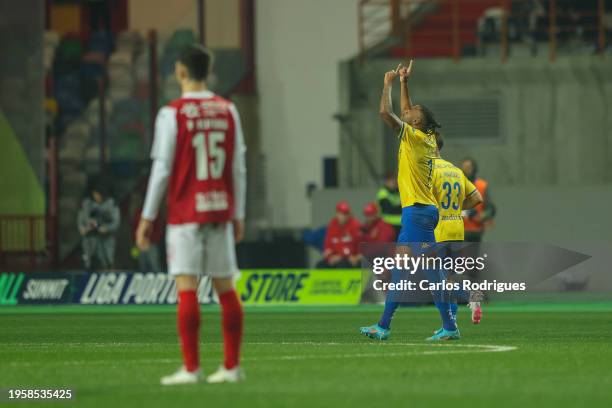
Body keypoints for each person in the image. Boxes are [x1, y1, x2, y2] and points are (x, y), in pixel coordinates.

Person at [135, 45, 247, 385]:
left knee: (187, 287)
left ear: (180, 71)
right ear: (208, 71)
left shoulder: (172, 113)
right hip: (220, 209)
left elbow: (162, 169)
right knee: (226, 288)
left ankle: (192, 367)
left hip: (185, 212)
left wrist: (147, 217)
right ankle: (231, 367)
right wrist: (238, 213)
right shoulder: (228, 110)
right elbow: (238, 166)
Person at [360, 60, 441, 341]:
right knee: (404, 270)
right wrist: (406, 83)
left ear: (417, 122)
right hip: (422, 211)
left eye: (413, 112)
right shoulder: (427, 137)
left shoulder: (415, 138)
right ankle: (383, 326)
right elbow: (407, 111)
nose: (409, 111)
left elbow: (387, 112)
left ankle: (451, 325)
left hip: (417, 213)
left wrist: (388, 84)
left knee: (429, 272)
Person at [427, 133, 484, 341]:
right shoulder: (456, 170)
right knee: (449, 279)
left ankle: (471, 297)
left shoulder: (428, 170)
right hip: (457, 230)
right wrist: (457, 208)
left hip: (438, 231)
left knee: (438, 282)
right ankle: (451, 327)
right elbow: (477, 198)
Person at [77, 178, 120, 270]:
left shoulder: (111, 204)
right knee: (88, 263)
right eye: (95, 193)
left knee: (108, 264)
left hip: (106, 240)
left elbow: (116, 223)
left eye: (99, 194)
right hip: (90, 240)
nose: (97, 196)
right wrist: (83, 228)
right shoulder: (87, 204)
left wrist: (106, 228)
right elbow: (81, 221)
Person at [460, 157, 496, 243]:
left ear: (474, 170)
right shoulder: (456, 185)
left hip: (475, 231)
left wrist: (481, 216)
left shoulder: (481, 185)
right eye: (463, 169)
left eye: (468, 168)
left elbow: (490, 208)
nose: (465, 171)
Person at [317, 201, 362, 268]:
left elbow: (356, 246)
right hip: (336, 258)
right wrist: (330, 257)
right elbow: (328, 246)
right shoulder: (332, 226)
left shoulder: (355, 225)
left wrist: (341, 256)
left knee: (342, 264)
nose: (344, 216)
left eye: (346, 213)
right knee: (320, 265)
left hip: (350, 258)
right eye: (342, 213)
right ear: (337, 214)